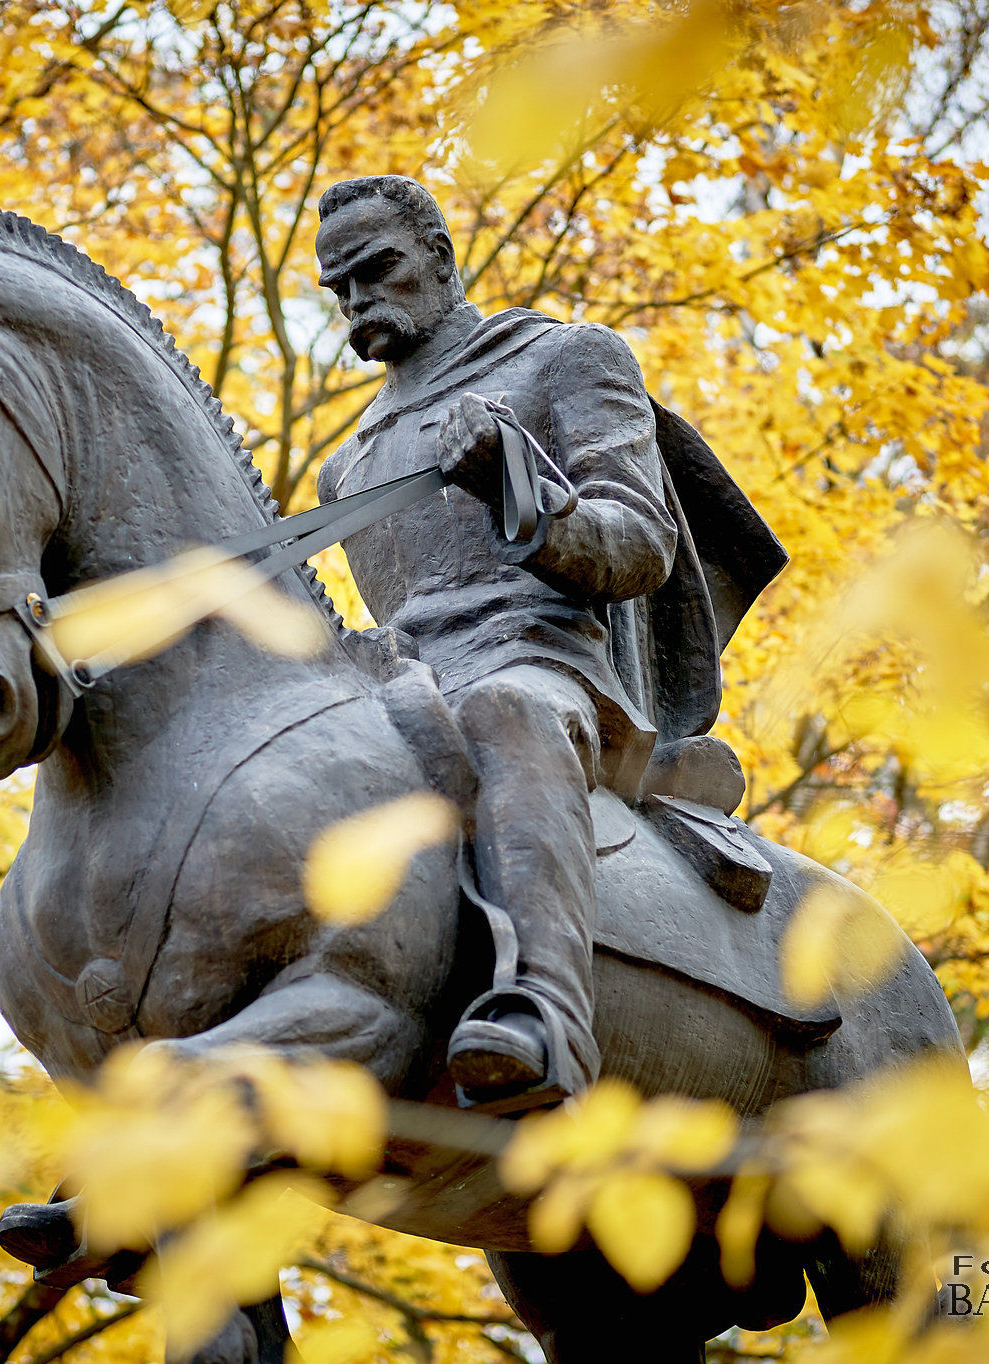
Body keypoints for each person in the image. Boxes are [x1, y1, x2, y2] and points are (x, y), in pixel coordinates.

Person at [314, 175, 683, 1108]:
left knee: (505, 707)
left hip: (543, 664)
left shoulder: (563, 359)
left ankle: (548, 1014)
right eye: (340, 289)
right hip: (404, 693)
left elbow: (642, 542)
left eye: (379, 270)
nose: (360, 302)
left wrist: (525, 493)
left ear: (439, 257)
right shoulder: (345, 465)